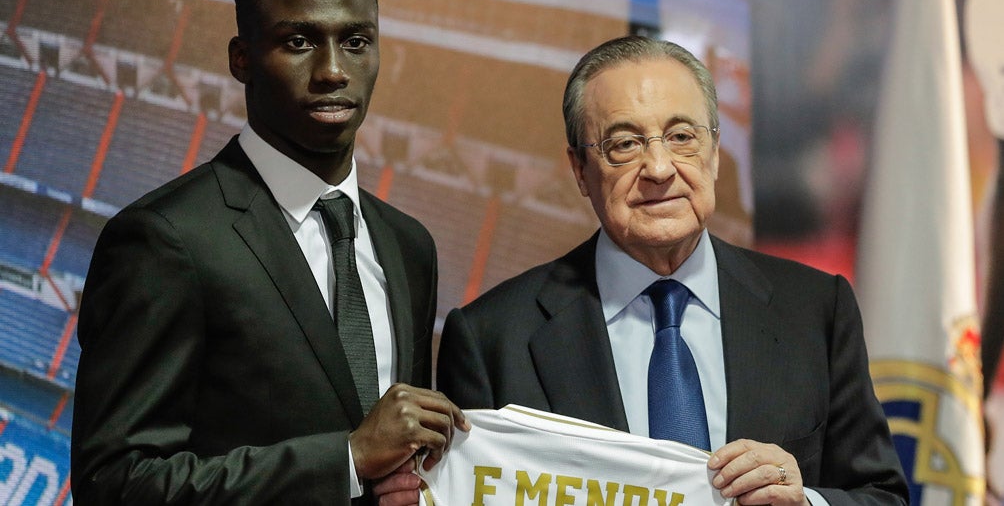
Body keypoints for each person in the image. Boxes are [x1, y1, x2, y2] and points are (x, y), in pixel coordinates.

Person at [381, 36, 908, 506]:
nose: (658, 169)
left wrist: (807, 503)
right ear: (580, 171)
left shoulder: (817, 309)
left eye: (681, 136)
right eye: (624, 144)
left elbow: (883, 496)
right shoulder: (492, 338)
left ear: (716, 152)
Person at [70, 0, 467, 503]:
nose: (332, 71)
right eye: (298, 42)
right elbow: (112, 483)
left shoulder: (408, 245)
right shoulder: (165, 238)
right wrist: (346, 459)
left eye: (355, 42)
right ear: (241, 58)